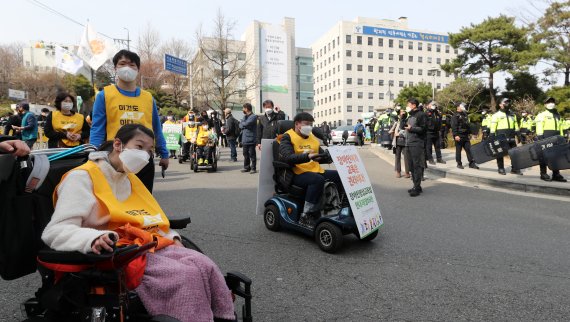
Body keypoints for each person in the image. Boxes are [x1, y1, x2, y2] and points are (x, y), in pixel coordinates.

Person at [41, 124, 234, 321]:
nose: (145, 155)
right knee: (185, 275)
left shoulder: (129, 178)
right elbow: (55, 231)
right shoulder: (81, 178)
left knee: (204, 264)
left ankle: (222, 316)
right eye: (139, 147)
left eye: (149, 150)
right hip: (114, 251)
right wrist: (93, 238)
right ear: (118, 144)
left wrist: (172, 237)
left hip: (144, 243)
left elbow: (151, 218)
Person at [90, 50, 169, 192]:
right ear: (115, 68)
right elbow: (97, 128)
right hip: (114, 158)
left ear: (138, 69)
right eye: (122, 64)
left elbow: (156, 129)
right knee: (115, 202)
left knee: (143, 201)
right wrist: (93, 154)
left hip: (143, 157)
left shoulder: (148, 98)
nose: (127, 67)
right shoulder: (104, 96)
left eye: (132, 65)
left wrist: (164, 153)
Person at [279, 112, 343, 227]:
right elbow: (288, 157)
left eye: (311, 124)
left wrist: (330, 156)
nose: (309, 127)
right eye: (306, 124)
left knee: (340, 175)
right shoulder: (287, 137)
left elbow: (320, 156)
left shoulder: (312, 138)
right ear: (297, 124)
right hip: (295, 173)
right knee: (317, 180)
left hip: (314, 170)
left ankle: (336, 205)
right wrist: (307, 156)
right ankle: (306, 215)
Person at [535, 97, 567, 182]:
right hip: (545, 137)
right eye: (549, 102)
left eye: (553, 102)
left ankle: (556, 174)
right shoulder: (541, 115)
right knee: (543, 156)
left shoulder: (557, 115)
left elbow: (560, 127)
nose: (551, 103)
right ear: (545, 104)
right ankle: (543, 173)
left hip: (556, 137)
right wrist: (540, 137)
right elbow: (539, 127)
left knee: (556, 156)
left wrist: (562, 137)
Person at [490, 98, 521, 175]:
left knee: (514, 154)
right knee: (500, 153)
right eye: (505, 102)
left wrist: (518, 134)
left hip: (511, 137)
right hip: (501, 137)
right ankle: (501, 168)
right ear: (500, 104)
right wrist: (492, 137)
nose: (507, 104)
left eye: (508, 102)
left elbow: (516, 125)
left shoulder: (512, 114)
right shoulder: (496, 115)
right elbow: (493, 128)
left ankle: (514, 169)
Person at [404, 98, 427, 197]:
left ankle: (417, 187)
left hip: (417, 143)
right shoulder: (410, 115)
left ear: (414, 105)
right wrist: (402, 117)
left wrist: (412, 128)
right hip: (408, 142)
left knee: (416, 165)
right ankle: (416, 185)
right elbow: (403, 126)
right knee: (411, 166)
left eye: (408, 104)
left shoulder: (421, 115)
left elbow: (423, 128)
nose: (407, 106)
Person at [451, 103, 479, 170]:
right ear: (458, 107)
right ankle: (459, 163)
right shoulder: (455, 116)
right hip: (459, 135)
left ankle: (471, 163)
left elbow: (468, 125)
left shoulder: (465, 115)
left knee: (469, 149)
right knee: (458, 150)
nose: (464, 107)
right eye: (462, 106)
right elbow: (454, 126)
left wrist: (470, 133)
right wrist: (456, 135)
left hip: (465, 135)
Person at [389, 109, 410, 178]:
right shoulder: (397, 122)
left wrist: (400, 134)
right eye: (401, 112)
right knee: (397, 157)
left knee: (406, 157)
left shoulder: (407, 121)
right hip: (397, 142)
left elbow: (408, 131)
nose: (402, 114)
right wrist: (393, 132)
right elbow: (390, 131)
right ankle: (398, 172)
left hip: (405, 142)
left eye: (403, 112)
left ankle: (407, 172)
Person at [239, 103, 257, 173]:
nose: (242, 110)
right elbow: (240, 125)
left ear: (246, 108)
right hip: (244, 139)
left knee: (252, 154)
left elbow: (246, 124)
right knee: (245, 154)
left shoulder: (253, 116)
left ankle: (253, 168)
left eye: (243, 108)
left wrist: (243, 123)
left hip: (251, 139)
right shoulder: (244, 116)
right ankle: (247, 167)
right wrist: (243, 124)